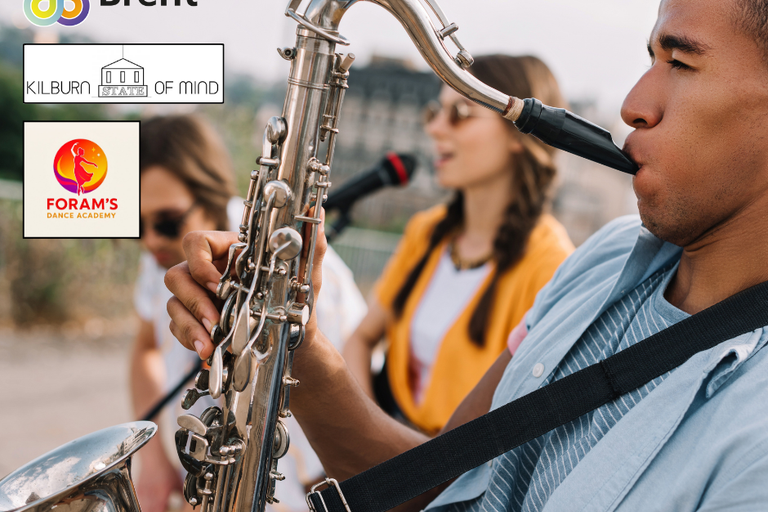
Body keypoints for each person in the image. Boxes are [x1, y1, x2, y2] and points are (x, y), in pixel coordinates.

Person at [166, 0, 768, 508]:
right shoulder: (605, 257)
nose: (634, 105)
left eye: (681, 61)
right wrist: (288, 340)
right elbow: (438, 485)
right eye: (650, 59)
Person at [132, 114, 367, 512]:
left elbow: (336, 445)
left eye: (168, 223)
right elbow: (142, 348)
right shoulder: (164, 258)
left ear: (210, 195)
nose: (150, 239)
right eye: (137, 224)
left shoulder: (290, 278)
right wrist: (153, 459)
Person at [343, 55, 574, 435]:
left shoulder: (550, 264)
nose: (434, 127)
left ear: (521, 132)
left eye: (461, 113)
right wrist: (372, 436)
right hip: (388, 461)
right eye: (435, 111)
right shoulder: (427, 231)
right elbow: (362, 339)